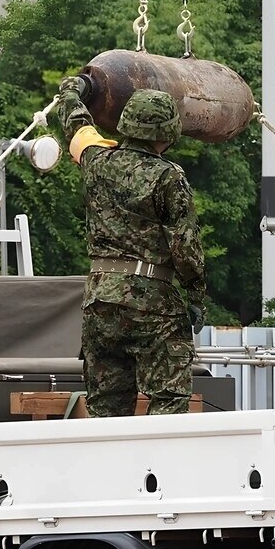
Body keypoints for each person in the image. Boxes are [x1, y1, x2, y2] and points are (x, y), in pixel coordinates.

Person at [57, 80, 206, 417]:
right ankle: (161, 469)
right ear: (166, 134)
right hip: (153, 304)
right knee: (167, 402)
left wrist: (72, 91)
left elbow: (79, 128)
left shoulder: (96, 160)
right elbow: (185, 247)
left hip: (100, 301)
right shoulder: (168, 177)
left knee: (106, 409)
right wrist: (196, 296)